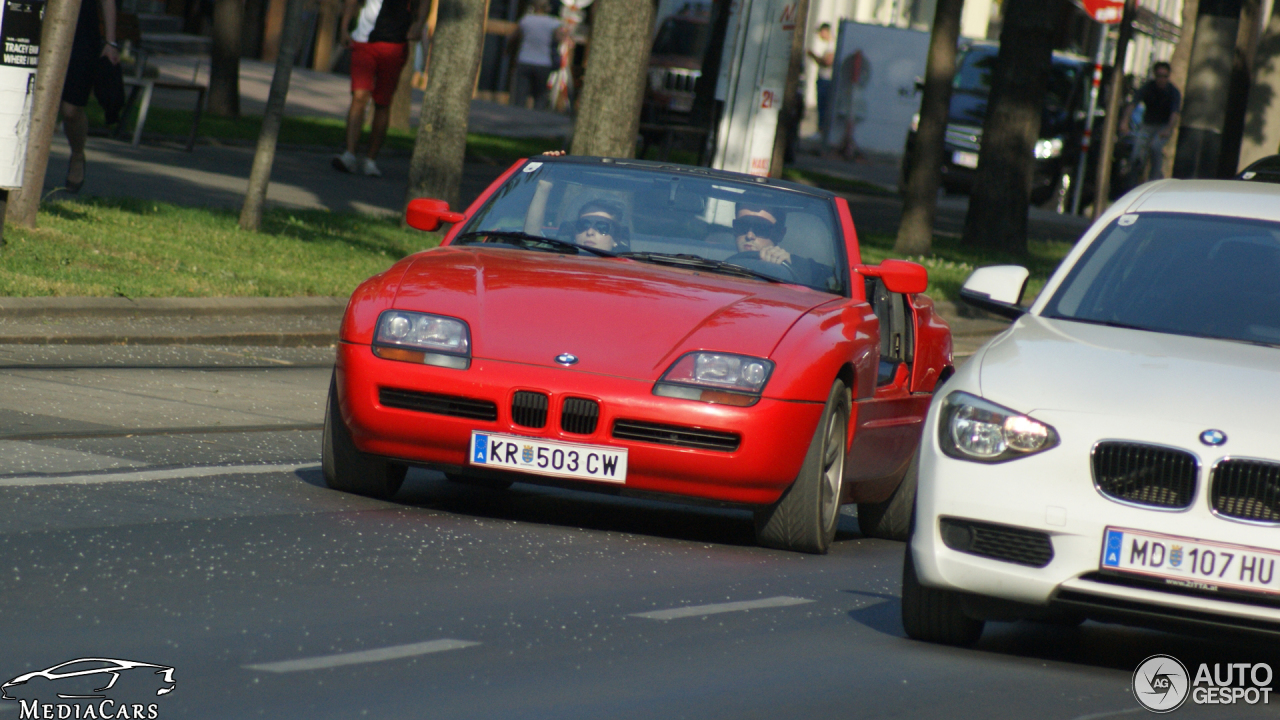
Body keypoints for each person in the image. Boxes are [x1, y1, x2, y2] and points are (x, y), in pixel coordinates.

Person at [332, 0, 428, 177]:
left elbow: (424, 3)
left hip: (395, 43)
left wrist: (419, 23)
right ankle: (349, 155)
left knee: (383, 102)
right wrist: (344, 28)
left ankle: (370, 160)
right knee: (359, 96)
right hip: (364, 41)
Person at [61, 0, 119, 193]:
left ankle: (77, 154)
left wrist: (111, 42)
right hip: (39, 23)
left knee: (71, 110)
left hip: (82, 32)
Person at [732, 205, 830, 286]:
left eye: (761, 228)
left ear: (780, 234)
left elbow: (835, 281)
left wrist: (794, 268)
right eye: (742, 225)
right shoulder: (717, 263)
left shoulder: (807, 272)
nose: (749, 236)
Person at [1119, 61, 1180, 184]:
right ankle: (1134, 178)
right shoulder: (1148, 88)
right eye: (1159, 76)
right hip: (1147, 125)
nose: (1161, 80)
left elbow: (1174, 114)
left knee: (1155, 147)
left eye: (1165, 76)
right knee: (1137, 150)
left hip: (1162, 127)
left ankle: (1155, 179)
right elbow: (1133, 104)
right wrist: (1125, 122)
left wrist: (1168, 129)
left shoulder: (1173, 92)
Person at [511, 0, 565, 111]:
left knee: (520, 93)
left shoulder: (526, 20)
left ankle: (516, 116)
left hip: (525, 59)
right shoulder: (554, 23)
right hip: (544, 62)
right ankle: (537, 118)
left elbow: (514, 37)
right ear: (548, 9)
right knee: (540, 94)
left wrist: (508, 51)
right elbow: (560, 38)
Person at [807, 23, 835, 140]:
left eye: (820, 32)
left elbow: (827, 62)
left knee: (823, 106)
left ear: (825, 31)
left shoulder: (831, 45)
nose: (819, 35)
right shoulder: (828, 45)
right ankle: (820, 130)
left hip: (826, 80)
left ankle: (822, 131)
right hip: (823, 80)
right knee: (821, 106)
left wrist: (813, 56)